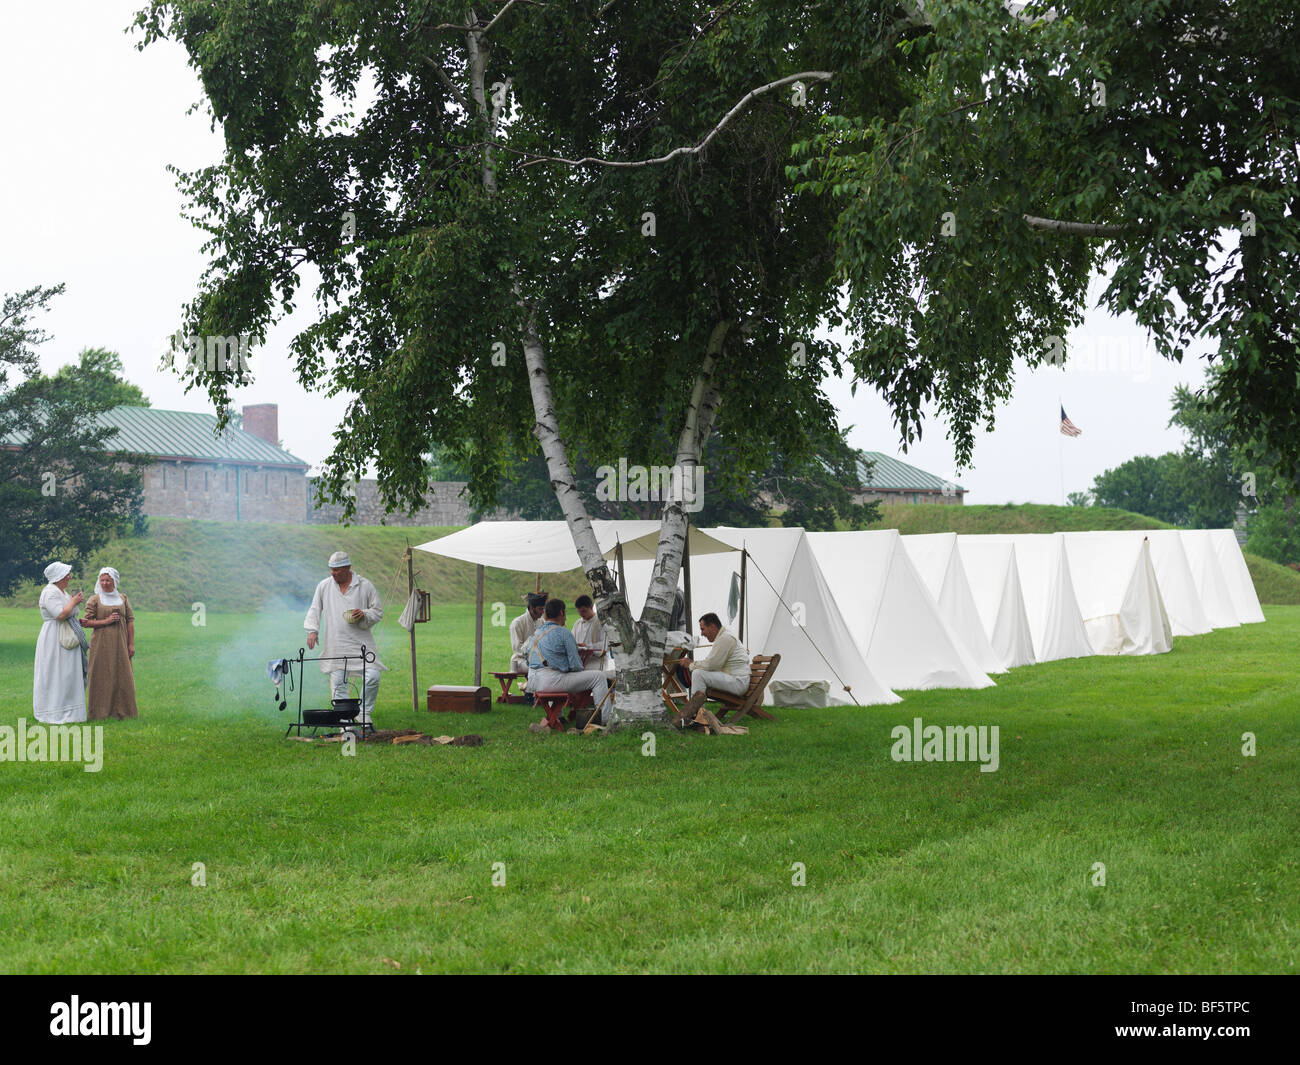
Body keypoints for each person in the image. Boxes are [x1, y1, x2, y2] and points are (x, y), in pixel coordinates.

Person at [304, 551, 385, 733]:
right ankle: (345, 723)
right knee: (338, 681)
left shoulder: (364, 586)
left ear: (347, 568)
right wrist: (312, 630)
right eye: (331, 570)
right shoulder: (324, 586)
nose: (333, 573)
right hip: (335, 643)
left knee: (373, 676)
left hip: (361, 643)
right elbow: (315, 608)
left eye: (337, 570)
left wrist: (363, 614)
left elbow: (377, 611)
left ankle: (363, 713)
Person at [529, 599, 610, 723]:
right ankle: (604, 719)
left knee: (556, 674)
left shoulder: (536, 633)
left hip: (534, 681)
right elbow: (576, 666)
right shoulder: (563, 632)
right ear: (561, 612)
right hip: (551, 682)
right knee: (598, 677)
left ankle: (558, 716)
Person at [81, 566, 139, 720]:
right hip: (101, 644)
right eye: (102, 580)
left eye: (108, 580)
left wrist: (131, 644)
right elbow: (86, 622)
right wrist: (106, 621)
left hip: (120, 643)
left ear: (114, 581)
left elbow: (130, 621)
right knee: (101, 675)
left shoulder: (123, 598)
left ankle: (124, 712)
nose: (105, 583)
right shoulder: (95, 599)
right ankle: (99, 713)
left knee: (123, 675)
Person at [33, 561, 87, 724]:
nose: (69, 577)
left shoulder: (61, 591)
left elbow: (69, 613)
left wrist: (74, 610)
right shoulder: (50, 592)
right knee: (55, 672)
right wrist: (74, 602)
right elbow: (60, 614)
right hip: (54, 637)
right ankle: (54, 710)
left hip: (66, 633)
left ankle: (71, 710)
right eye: (66, 575)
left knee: (68, 673)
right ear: (58, 577)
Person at [679, 612, 751, 718]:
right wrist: (693, 664)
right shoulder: (724, 637)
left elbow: (712, 665)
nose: (702, 633)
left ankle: (698, 715)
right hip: (736, 679)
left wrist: (691, 665)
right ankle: (698, 714)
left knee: (698, 674)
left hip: (738, 682)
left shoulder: (725, 638)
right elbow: (710, 663)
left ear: (712, 627)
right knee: (699, 673)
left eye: (703, 629)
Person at [510, 592, 547, 675]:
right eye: (540, 609)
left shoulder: (542, 622)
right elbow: (518, 649)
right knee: (542, 669)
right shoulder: (517, 623)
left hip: (539, 660)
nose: (542, 612)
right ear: (531, 608)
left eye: (543, 609)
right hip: (520, 661)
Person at [572, 594, 611, 672]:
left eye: (583, 611)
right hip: (579, 663)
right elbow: (571, 641)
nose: (581, 614)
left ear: (591, 607)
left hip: (596, 663)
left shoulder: (601, 622)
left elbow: (607, 644)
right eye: (579, 612)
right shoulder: (577, 624)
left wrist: (587, 646)